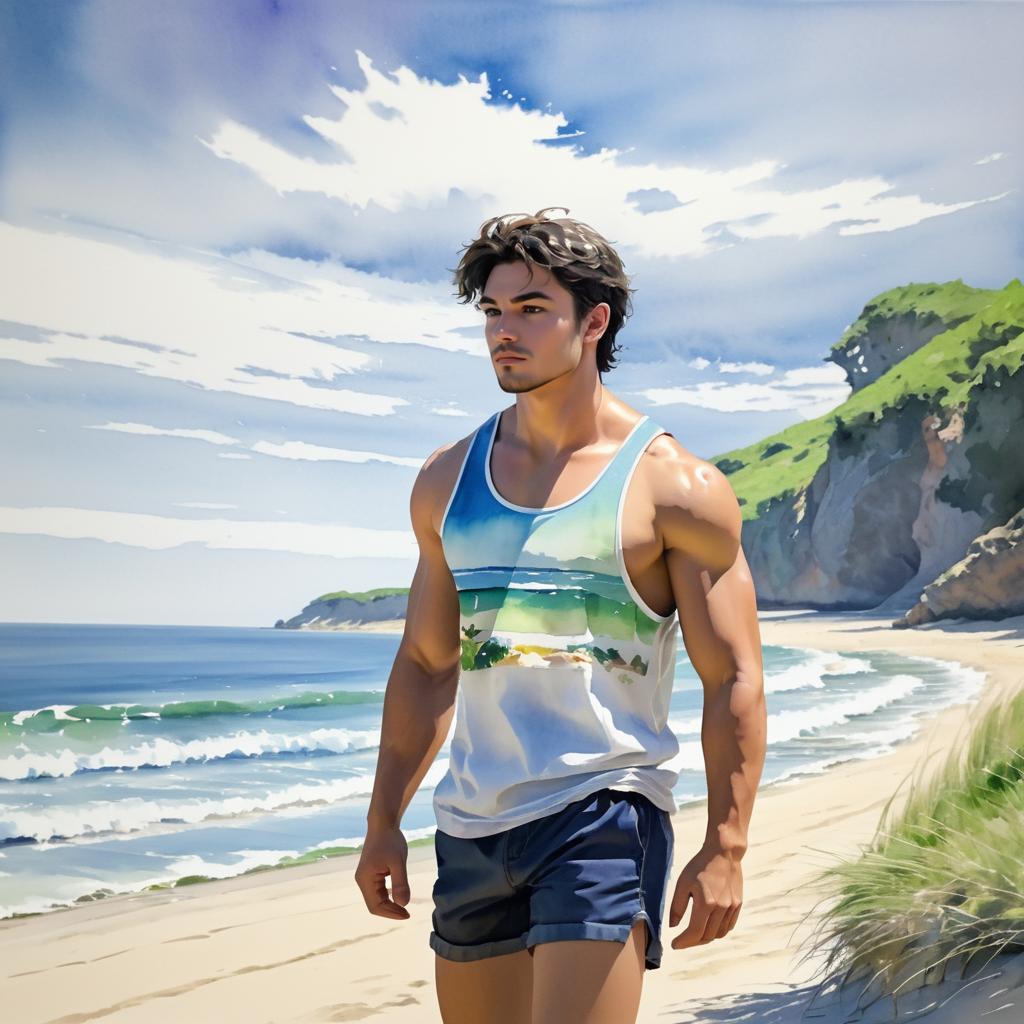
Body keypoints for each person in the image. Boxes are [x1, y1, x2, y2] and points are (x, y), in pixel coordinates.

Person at [355, 207, 767, 1024]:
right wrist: (382, 823)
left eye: (532, 309)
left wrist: (727, 844)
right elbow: (429, 665)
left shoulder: (673, 487)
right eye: (493, 312)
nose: (505, 332)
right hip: (472, 826)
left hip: (604, 811)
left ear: (594, 322)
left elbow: (734, 676)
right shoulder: (447, 480)